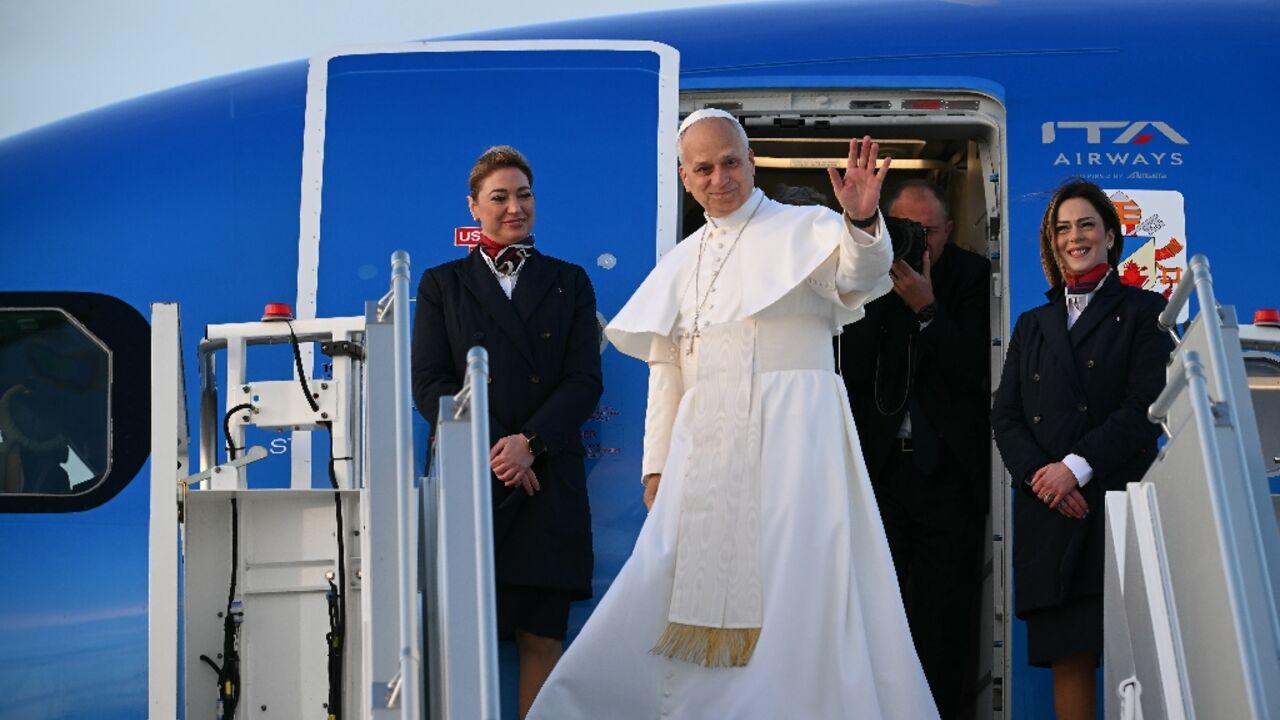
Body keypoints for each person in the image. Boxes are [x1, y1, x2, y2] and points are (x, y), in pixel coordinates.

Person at [527, 109, 938, 719]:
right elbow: (667, 369)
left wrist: (858, 217)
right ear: (685, 178)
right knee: (667, 580)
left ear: (750, 163)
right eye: (704, 168)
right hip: (706, 450)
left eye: (730, 163)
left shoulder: (807, 226)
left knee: (797, 588)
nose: (720, 178)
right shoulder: (683, 259)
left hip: (796, 441)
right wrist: (656, 467)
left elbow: (862, 272)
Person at [411, 145, 604, 719]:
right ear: (474, 207)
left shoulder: (570, 282)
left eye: (523, 195)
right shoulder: (441, 284)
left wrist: (529, 445)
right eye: (499, 197)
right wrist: (498, 450)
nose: (514, 207)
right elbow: (430, 384)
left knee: (543, 639)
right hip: (473, 481)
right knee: (459, 640)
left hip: (547, 479)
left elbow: (583, 381)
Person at [992, 179, 1172, 719]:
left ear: (1112, 237)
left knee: (1134, 660)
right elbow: (1006, 416)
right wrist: (1044, 479)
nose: (1076, 237)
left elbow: (1146, 405)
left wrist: (1076, 468)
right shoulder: (1032, 323)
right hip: (1051, 513)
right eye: (1063, 229)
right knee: (1068, 660)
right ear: (1053, 243)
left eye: (1087, 225)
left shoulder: (1146, 310)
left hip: (1114, 506)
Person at [839, 179, 990, 719]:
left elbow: (978, 369)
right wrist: (879, 282)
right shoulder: (861, 276)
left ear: (949, 230)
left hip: (945, 475)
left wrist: (928, 309)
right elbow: (848, 370)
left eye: (927, 231)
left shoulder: (972, 278)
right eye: (904, 229)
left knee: (942, 615)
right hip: (874, 473)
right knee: (873, 609)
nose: (917, 243)